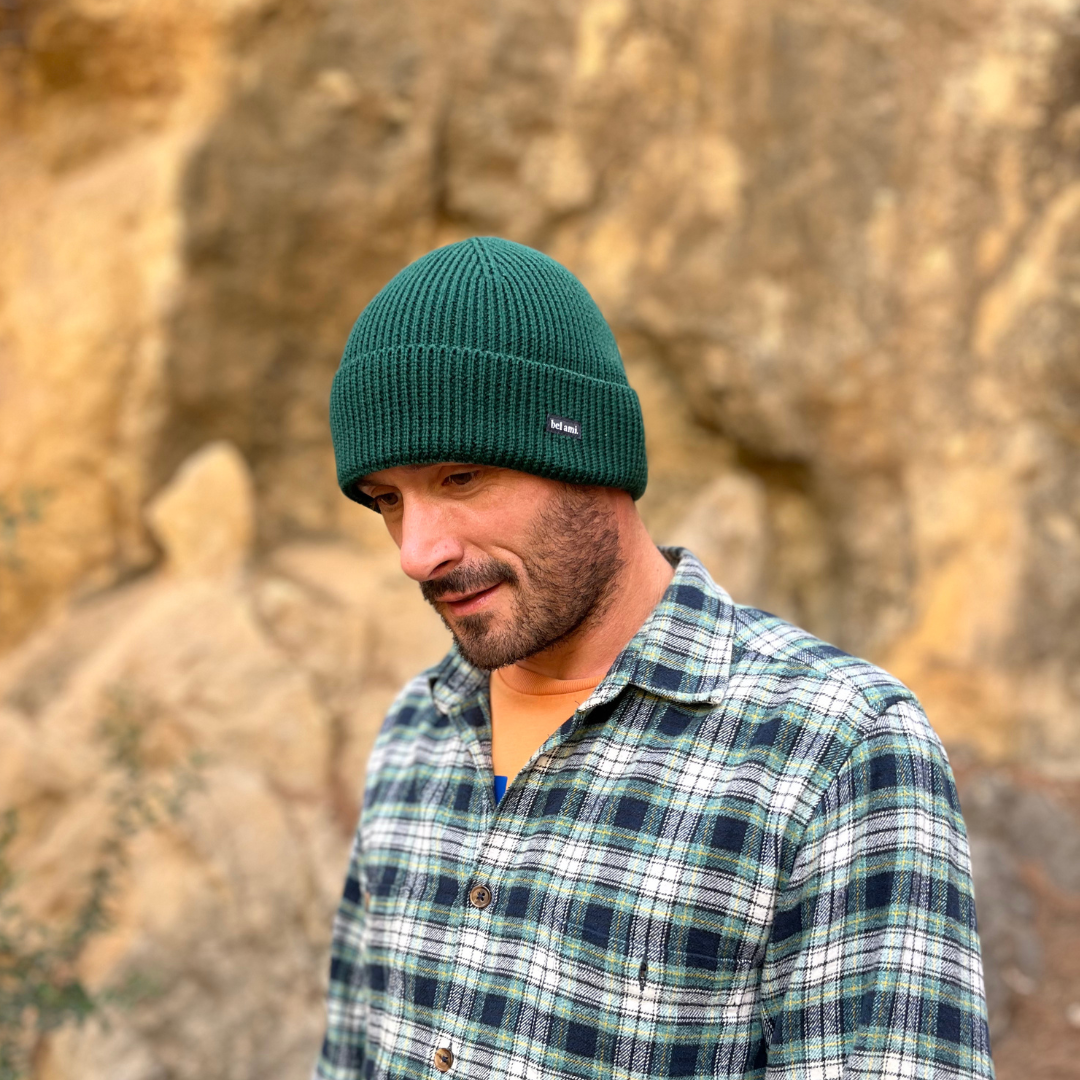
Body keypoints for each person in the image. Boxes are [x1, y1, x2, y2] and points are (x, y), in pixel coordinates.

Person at [314, 237, 994, 1080]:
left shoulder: (835, 747)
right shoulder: (419, 726)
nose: (417, 552)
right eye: (386, 499)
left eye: (462, 477)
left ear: (590, 456)